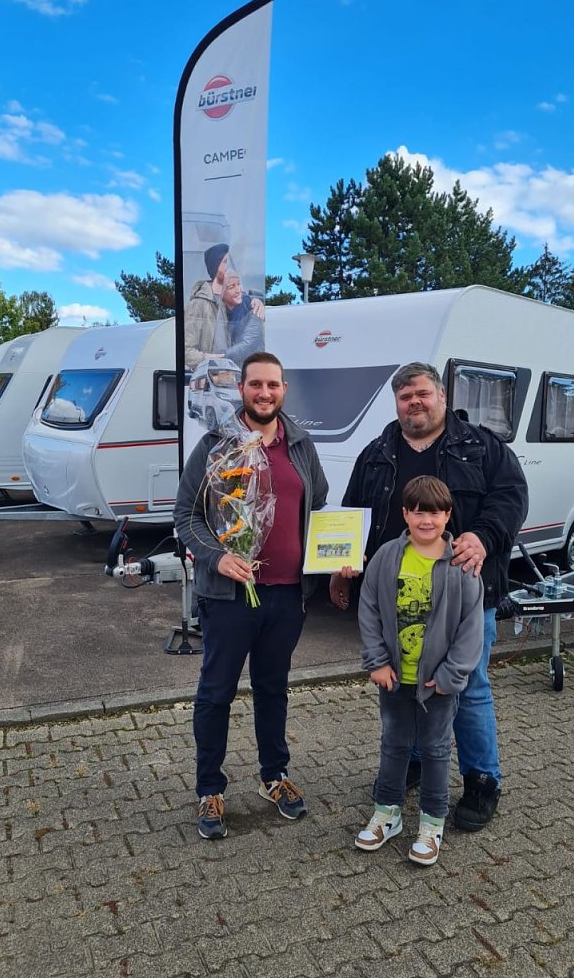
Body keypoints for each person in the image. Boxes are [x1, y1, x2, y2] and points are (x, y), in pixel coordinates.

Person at [331, 362, 528, 831]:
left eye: (422, 393)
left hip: (465, 594)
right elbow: (353, 515)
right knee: (406, 683)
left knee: (468, 685)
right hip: (399, 599)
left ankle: (481, 779)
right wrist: (340, 568)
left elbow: (511, 498)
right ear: (397, 403)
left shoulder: (482, 447)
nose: (414, 403)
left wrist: (483, 536)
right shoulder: (377, 453)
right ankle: (414, 762)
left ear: (441, 395)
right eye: (405, 397)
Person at [173, 351, 328, 840]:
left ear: (284, 390)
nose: (265, 393)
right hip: (229, 597)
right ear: (241, 389)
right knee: (216, 692)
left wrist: (335, 556)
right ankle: (209, 788)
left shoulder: (300, 444)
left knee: (273, 688)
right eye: (256, 384)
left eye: (273, 385)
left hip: (287, 594)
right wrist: (216, 557)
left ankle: (273, 776)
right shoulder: (216, 445)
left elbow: (319, 505)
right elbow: (186, 516)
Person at [356, 476, 483, 866]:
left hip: (437, 684)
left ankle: (431, 823)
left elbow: (471, 628)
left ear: (447, 515)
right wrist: (377, 661)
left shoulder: (461, 565)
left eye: (434, 513)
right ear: (405, 514)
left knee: (435, 749)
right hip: (395, 679)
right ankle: (387, 813)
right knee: (393, 745)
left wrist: (450, 676)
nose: (426, 521)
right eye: (417, 512)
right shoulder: (387, 557)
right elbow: (369, 609)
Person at [221, 269, 264, 366]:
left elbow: (248, 344)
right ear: (222, 292)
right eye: (231, 287)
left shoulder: (253, 309)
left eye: (239, 284)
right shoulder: (217, 310)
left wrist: (220, 355)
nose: (238, 290)